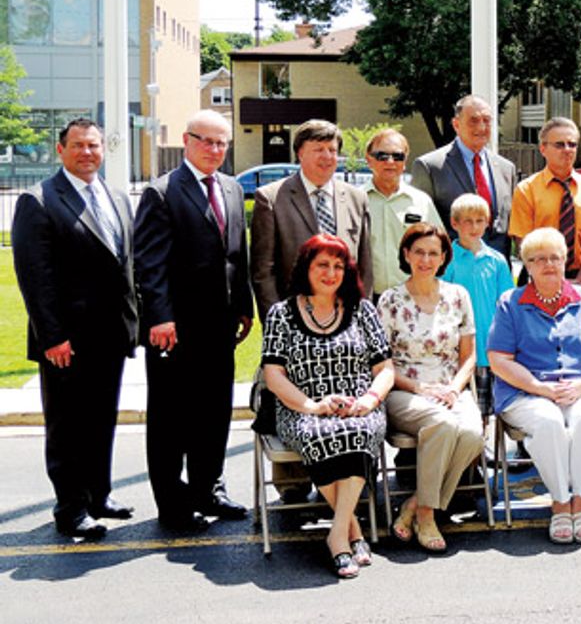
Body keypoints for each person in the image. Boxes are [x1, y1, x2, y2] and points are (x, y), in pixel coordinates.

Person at [11, 118, 138, 539]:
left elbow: (125, 267)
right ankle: (70, 508)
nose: (88, 153)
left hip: (110, 335)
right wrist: (52, 336)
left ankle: (99, 495)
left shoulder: (116, 196)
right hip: (66, 340)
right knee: (68, 426)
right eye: (79, 145)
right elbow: (35, 276)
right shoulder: (40, 201)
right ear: (61, 149)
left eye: (95, 145)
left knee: (102, 419)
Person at [133, 110, 254, 531]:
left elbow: (237, 254)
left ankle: (209, 488)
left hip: (219, 328)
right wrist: (160, 317)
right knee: (171, 418)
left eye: (222, 143)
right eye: (206, 141)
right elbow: (150, 264)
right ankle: (172, 503)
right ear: (187, 141)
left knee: (213, 412)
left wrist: (243, 306)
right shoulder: (162, 192)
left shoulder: (232, 188)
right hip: (175, 330)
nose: (215, 150)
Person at [251, 118, 373, 500]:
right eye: (318, 149)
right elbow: (264, 270)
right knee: (295, 403)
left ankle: (339, 488)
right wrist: (283, 325)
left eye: (333, 150)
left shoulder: (355, 197)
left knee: (342, 407)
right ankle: (292, 484)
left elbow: (363, 266)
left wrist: (357, 321)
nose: (327, 157)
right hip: (293, 329)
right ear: (299, 152)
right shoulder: (272, 197)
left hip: (343, 326)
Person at [261, 234, 394, 579]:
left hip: (359, 406)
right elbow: (273, 375)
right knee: (319, 434)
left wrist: (368, 400)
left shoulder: (362, 309)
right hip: (301, 407)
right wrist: (313, 405)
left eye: (338, 266)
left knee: (358, 430)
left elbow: (385, 370)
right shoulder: (282, 313)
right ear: (306, 267)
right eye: (322, 264)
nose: (331, 273)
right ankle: (351, 533)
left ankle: (337, 534)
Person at [488, 228, 581, 544]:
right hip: (525, 391)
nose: (549, 264)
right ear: (526, 265)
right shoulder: (511, 303)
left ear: (565, 261)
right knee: (548, 422)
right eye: (539, 259)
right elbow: (498, 359)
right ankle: (560, 503)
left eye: (555, 258)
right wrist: (539, 388)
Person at [376, 224, 484, 552]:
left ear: (443, 258)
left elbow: (469, 355)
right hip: (404, 390)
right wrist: (420, 388)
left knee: (472, 434)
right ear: (406, 255)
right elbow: (382, 365)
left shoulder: (457, 295)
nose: (426, 259)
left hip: (451, 388)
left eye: (433, 253)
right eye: (419, 252)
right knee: (443, 424)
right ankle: (427, 515)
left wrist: (453, 388)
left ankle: (415, 503)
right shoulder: (390, 301)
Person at [411, 95, 516, 260]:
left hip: (497, 272)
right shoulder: (430, 167)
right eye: (473, 120)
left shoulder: (506, 168)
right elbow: (420, 226)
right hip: (451, 269)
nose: (481, 127)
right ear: (456, 124)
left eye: (487, 120)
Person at [442, 193, 515, 418]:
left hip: (489, 346)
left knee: (485, 411)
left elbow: (507, 302)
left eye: (479, 220)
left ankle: (484, 451)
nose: (474, 227)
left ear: (487, 222)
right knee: (461, 410)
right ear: (455, 223)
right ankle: (471, 453)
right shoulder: (447, 259)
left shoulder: (497, 260)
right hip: (457, 348)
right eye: (467, 221)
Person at [509, 117, 581, 282]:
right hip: (539, 279)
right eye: (559, 145)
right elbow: (523, 242)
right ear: (543, 149)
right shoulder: (527, 190)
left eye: (572, 144)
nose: (567, 149)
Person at [363, 127, 441, 297]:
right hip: (367, 298)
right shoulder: (355, 200)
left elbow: (439, 247)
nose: (390, 161)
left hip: (413, 297)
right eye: (382, 156)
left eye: (398, 156)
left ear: (405, 162)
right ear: (369, 160)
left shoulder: (421, 202)